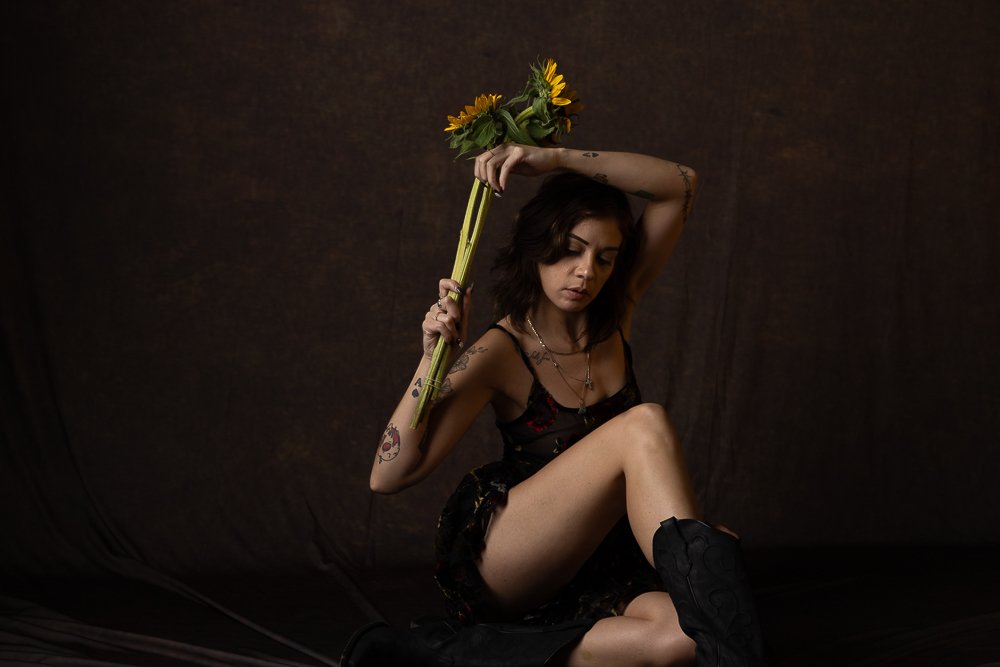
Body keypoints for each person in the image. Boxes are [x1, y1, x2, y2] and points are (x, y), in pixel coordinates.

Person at [342, 144, 767, 666]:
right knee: (645, 426)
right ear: (537, 245)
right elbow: (387, 477)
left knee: (684, 638)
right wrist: (431, 359)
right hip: (514, 558)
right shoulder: (501, 350)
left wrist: (557, 158)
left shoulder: (616, 313)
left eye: (604, 258)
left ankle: (481, 653)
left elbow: (679, 184)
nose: (586, 271)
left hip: (597, 557)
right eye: (570, 249)